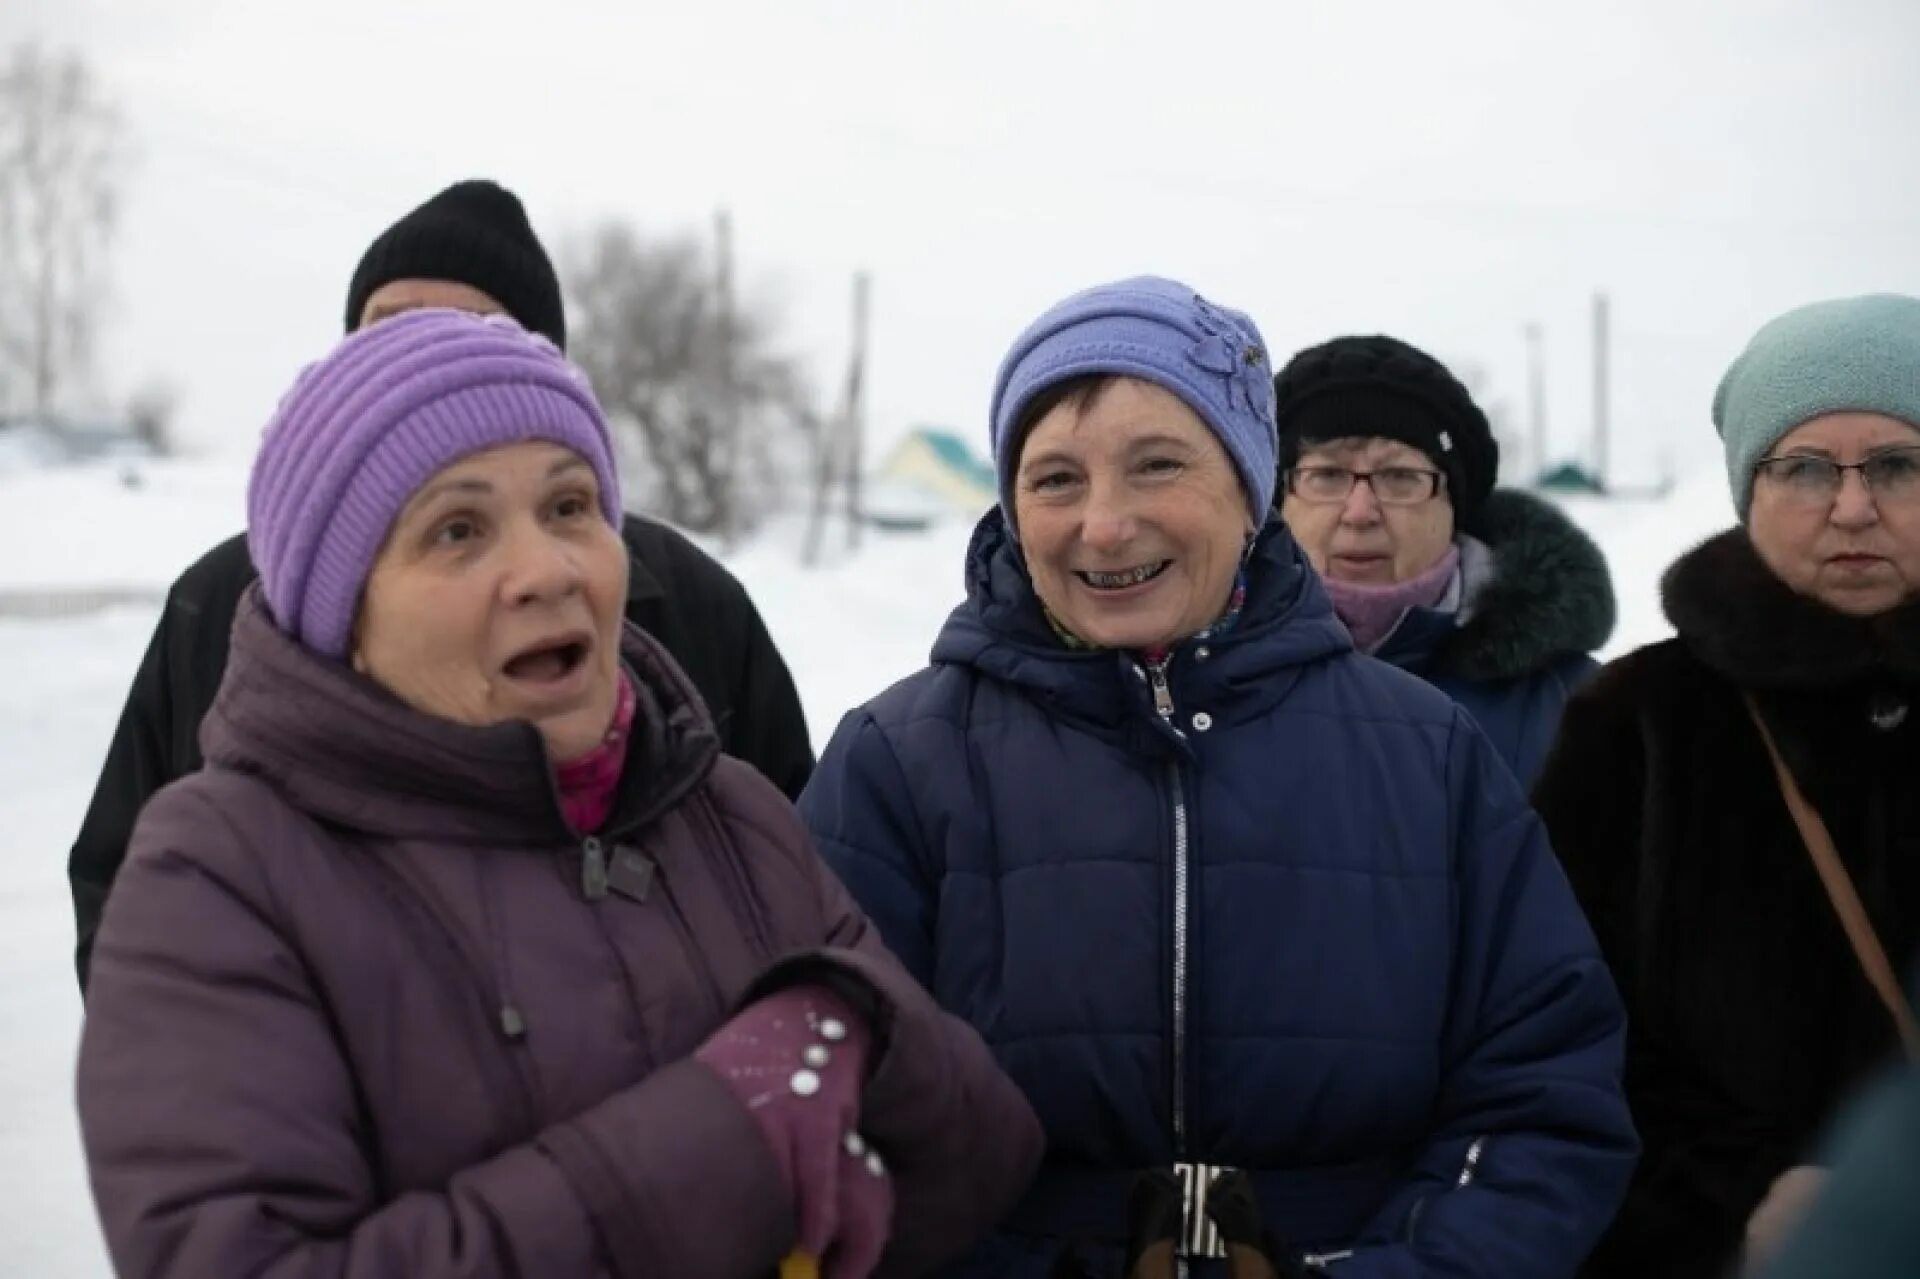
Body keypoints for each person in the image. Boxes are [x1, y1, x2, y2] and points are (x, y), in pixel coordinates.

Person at [75, 309, 1042, 1279]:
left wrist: (846, 1020)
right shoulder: (219, 874)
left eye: (572, 506)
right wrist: (722, 1136)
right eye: (458, 530)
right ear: (342, 619)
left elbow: (981, 1159)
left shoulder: (731, 814)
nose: (546, 568)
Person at [799, 276, 1637, 1277]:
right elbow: (837, 1115)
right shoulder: (900, 760)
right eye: (1055, 478)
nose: (1104, 524)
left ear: (1249, 489)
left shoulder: (1431, 755)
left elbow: (1541, 1097)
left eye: (1157, 466)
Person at [67, 178, 815, 993]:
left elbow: (789, 901)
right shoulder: (225, 602)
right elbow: (128, 907)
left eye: (465, 331)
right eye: (386, 330)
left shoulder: (688, 603)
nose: (419, 359)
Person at [1532, 293, 1920, 1278]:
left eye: (1898, 465)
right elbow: (1553, 1040)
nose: (1853, 507)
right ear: (1748, 490)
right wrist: (1729, 1206)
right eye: (1803, 469)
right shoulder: (1638, 723)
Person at [1272, 335, 1614, 786]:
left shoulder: (1575, 708)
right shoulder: (1192, 679)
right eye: (1327, 475)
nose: (1360, 512)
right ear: (1277, 501)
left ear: (1454, 506)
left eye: (1400, 477)